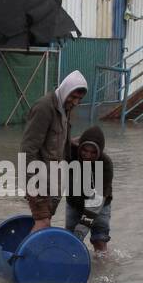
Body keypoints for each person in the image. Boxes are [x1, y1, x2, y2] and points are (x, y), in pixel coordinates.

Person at [20, 70, 88, 232]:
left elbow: (56, 142)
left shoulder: (65, 108)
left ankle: (28, 253)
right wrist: (32, 184)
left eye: (79, 99)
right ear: (65, 90)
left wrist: (74, 144)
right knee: (43, 223)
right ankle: (20, 257)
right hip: (39, 179)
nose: (76, 102)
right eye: (73, 96)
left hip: (55, 179)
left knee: (44, 221)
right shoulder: (44, 107)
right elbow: (27, 149)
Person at [65, 125, 113, 255]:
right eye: (84, 150)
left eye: (93, 152)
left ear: (99, 152)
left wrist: (81, 231)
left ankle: (103, 269)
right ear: (80, 148)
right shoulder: (70, 153)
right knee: (68, 240)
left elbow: (97, 200)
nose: (87, 155)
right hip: (74, 203)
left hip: (100, 205)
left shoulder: (105, 163)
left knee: (99, 240)